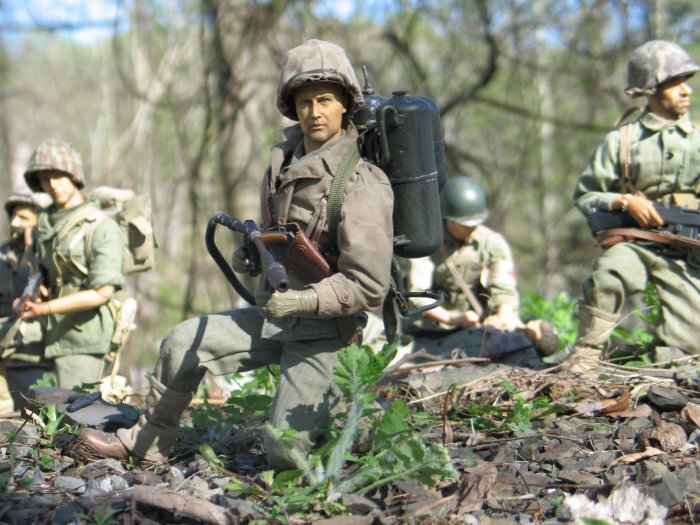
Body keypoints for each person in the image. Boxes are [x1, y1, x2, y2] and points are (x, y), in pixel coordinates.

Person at [82, 39, 394, 469]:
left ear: (345, 104)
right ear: (292, 107)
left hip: (327, 335)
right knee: (181, 343)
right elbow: (283, 235)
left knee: (284, 452)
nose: (314, 112)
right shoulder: (282, 166)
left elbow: (369, 285)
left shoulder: (362, 182)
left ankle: (354, 418)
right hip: (274, 317)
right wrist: (255, 254)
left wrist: (303, 301)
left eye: (325, 100)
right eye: (304, 102)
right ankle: (145, 445)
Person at [570, 40, 700, 372]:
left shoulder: (698, 139)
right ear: (650, 89)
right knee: (609, 275)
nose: (685, 91)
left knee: (690, 345)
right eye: (674, 82)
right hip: (636, 242)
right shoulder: (622, 141)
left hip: (687, 251)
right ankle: (585, 357)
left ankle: (654, 362)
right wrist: (623, 200)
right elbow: (585, 195)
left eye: (686, 81)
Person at [403, 176, 556, 355]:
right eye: (464, 225)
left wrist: (501, 317)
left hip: (477, 326)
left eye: (476, 223)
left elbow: (504, 289)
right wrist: (452, 319)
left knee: (527, 341)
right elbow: (417, 295)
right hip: (430, 328)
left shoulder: (492, 243)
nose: (471, 229)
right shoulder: (427, 243)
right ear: (448, 219)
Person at [18, 140, 125, 388]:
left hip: (82, 336)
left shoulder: (101, 227)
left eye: (58, 176)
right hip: (42, 331)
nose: (53, 184)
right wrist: (34, 292)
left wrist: (45, 309)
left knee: (72, 406)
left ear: (74, 176)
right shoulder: (42, 226)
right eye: (45, 179)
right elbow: (37, 270)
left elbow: (102, 292)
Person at [0, 192, 49, 411]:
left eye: (23, 218)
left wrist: (30, 251)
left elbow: (27, 291)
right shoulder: (4, 252)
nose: (15, 223)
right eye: (13, 216)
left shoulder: (50, 255)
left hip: (33, 351)